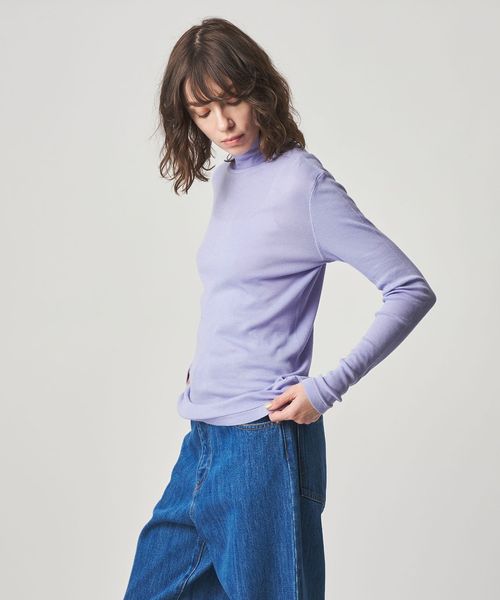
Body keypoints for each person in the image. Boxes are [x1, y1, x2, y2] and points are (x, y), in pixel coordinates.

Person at [123, 17, 437, 600]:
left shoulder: (303, 184)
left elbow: (409, 289)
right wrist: (207, 364)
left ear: (259, 89)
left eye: (232, 101)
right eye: (202, 111)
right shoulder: (228, 180)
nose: (222, 124)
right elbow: (242, 291)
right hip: (204, 436)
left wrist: (327, 387)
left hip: (262, 445)